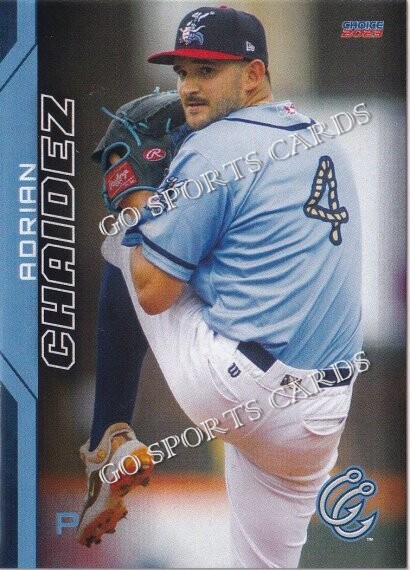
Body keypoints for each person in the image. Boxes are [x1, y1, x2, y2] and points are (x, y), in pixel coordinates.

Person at [78, 6, 363, 567]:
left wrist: (137, 196)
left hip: (238, 391)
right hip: (320, 418)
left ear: (253, 74)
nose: (188, 87)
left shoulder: (213, 148)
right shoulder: (325, 139)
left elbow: (153, 294)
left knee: (127, 245)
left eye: (207, 71)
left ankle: (108, 437)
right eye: (183, 72)